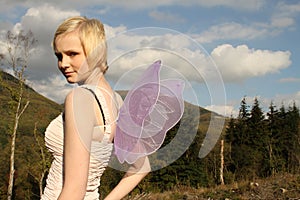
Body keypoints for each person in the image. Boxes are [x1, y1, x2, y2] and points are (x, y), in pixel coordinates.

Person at [42, 16, 150, 200]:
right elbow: (142, 166)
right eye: (59, 56)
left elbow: (74, 190)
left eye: (72, 54)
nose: (63, 64)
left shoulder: (80, 99)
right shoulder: (116, 101)